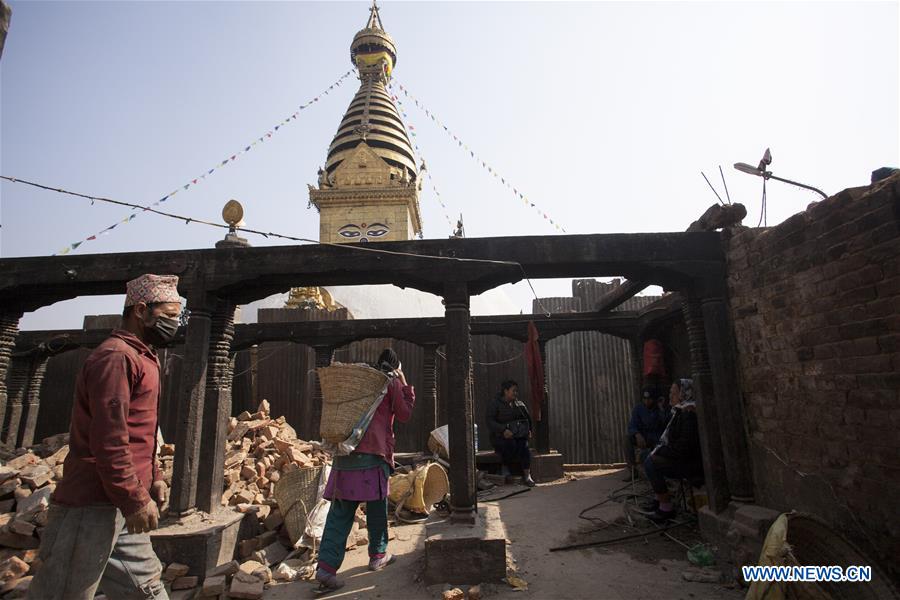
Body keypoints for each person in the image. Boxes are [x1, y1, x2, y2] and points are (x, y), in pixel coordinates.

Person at [29, 274, 182, 600]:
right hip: (92, 507)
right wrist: (135, 498)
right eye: (169, 315)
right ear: (141, 310)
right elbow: (110, 438)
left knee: (148, 591)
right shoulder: (116, 357)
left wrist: (153, 477)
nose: (175, 323)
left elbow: (142, 432)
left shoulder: (143, 356)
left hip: (125, 506)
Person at [315, 348, 415, 592]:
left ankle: (325, 570)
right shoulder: (389, 382)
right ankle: (377, 555)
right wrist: (404, 384)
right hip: (373, 457)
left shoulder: (361, 382)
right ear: (395, 367)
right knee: (377, 509)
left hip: (345, 457)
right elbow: (404, 414)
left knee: (339, 514)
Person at [643, 378, 704, 522]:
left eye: (674, 393)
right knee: (647, 455)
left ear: (684, 395)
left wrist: (660, 451)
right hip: (678, 457)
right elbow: (664, 431)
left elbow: (682, 450)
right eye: (670, 393)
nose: (670, 396)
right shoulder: (677, 412)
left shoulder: (689, 415)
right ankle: (659, 499)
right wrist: (661, 409)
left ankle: (666, 508)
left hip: (690, 463)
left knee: (651, 462)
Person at [486, 380, 535, 487]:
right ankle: (505, 467)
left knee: (524, 446)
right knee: (509, 444)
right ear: (506, 391)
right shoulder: (495, 404)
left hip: (518, 436)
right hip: (500, 437)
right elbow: (490, 421)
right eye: (513, 391)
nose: (516, 393)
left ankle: (527, 475)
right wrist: (503, 430)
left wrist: (528, 430)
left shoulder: (519, 404)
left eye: (516, 391)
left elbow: (527, 419)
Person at [627, 385, 669, 462]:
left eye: (649, 399)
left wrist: (661, 409)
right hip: (643, 438)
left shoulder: (659, 409)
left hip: (657, 439)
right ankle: (632, 467)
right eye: (644, 399)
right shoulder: (638, 409)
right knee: (628, 438)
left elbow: (666, 424)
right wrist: (637, 434)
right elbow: (632, 425)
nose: (647, 401)